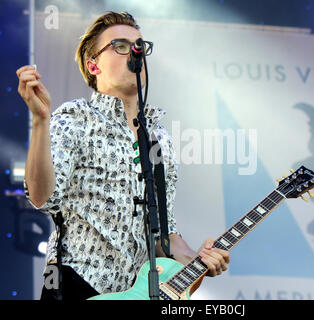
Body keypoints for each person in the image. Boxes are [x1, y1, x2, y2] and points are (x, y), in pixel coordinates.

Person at [16, 11, 230, 300]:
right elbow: (42, 197)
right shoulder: (76, 118)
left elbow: (163, 237)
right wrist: (41, 122)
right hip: (75, 285)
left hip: (138, 294)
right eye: (120, 45)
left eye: (140, 45)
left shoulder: (159, 139)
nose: (135, 52)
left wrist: (200, 259)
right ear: (93, 65)